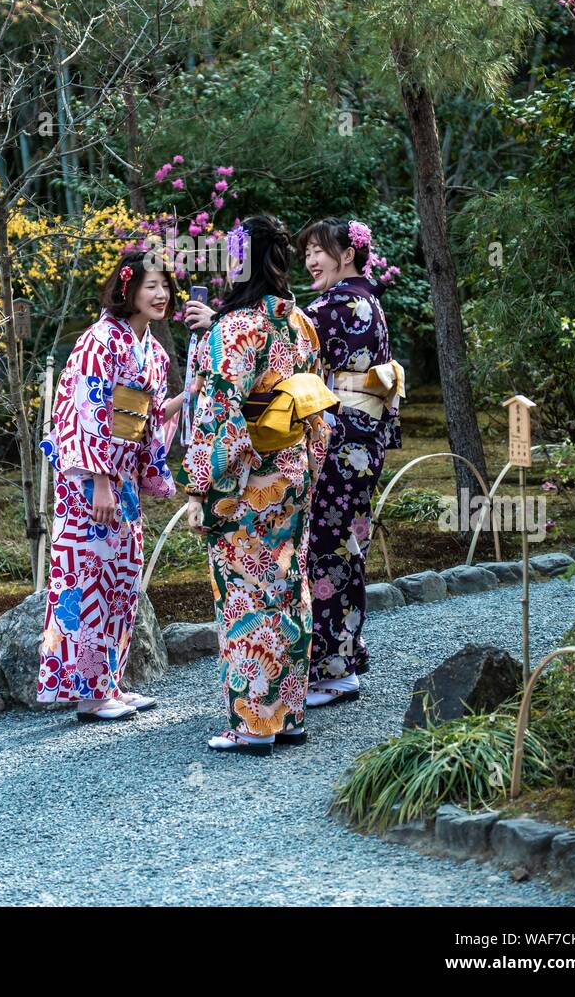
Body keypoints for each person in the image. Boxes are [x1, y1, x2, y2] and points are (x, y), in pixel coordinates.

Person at [183, 216, 334, 756]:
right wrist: (308, 471)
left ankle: (254, 723)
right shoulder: (301, 325)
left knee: (246, 593)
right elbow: (317, 406)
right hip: (291, 471)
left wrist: (201, 483)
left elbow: (218, 416)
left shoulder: (234, 329)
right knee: (287, 584)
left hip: (245, 481)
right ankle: (288, 713)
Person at [37, 250, 178, 722]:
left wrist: (191, 395)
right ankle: (88, 691)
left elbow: (148, 417)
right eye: (151, 285)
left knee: (122, 576)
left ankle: (110, 682)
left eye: (165, 286)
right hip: (90, 479)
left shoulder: (151, 348)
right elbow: (90, 408)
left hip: (123, 477)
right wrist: (100, 479)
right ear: (128, 289)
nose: (161, 295)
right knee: (86, 578)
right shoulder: (101, 340)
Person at [297, 218, 403, 707]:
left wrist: (225, 323)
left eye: (318, 250)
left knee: (326, 545)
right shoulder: (369, 302)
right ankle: (345, 654)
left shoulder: (338, 305)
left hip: (343, 440)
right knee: (344, 544)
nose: (310, 260)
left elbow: (280, 340)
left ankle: (333, 669)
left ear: (347, 254)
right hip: (363, 438)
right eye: (306, 253)